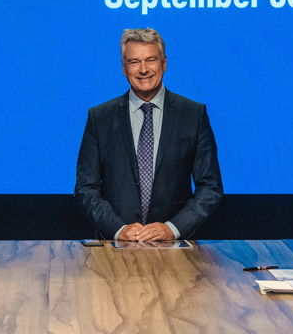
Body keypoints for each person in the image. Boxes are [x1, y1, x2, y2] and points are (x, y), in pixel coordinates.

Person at [75, 28, 223, 241]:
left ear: (164, 63)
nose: (143, 69)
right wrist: (118, 229)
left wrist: (172, 228)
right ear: (124, 68)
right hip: (115, 246)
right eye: (134, 62)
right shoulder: (100, 117)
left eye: (151, 60)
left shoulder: (193, 114)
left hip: (176, 247)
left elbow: (210, 187)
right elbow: (85, 188)